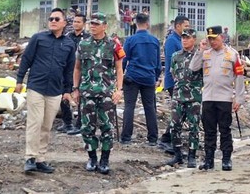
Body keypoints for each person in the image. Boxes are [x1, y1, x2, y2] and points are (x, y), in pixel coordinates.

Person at [15, 8, 76, 174]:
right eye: (51, 19)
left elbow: (69, 70)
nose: (53, 21)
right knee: (35, 122)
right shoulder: (38, 38)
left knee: (46, 125)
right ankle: (30, 158)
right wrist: (19, 80)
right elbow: (26, 59)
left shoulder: (69, 44)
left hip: (55, 91)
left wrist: (67, 91)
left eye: (57, 19)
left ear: (64, 23)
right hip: (36, 87)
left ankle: (41, 159)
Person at [73, 13, 125, 174]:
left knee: (107, 128)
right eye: (91, 23)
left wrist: (119, 90)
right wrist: (75, 88)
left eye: (96, 24)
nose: (92, 26)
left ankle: (105, 160)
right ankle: (92, 158)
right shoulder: (83, 44)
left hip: (106, 94)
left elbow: (119, 69)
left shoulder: (114, 45)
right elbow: (77, 68)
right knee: (87, 127)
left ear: (105, 26)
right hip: (87, 93)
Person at [189, 25, 245, 171]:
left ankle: (226, 159)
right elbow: (193, 67)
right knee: (209, 130)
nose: (212, 42)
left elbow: (239, 77)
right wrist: (200, 49)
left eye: (215, 38)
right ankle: (209, 159)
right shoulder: (205, 53)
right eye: (210, 39)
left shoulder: (232, 54)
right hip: (208, 97)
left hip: (224, 98)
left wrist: (238, 98)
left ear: (222, 37)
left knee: (225, 129)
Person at [120, 13, 160, 145]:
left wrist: (120, 78)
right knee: (150, 107)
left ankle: (126, 137)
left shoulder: (131, 40)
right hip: (148, 78)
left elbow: (124, 60)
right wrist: (155, 77)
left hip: (133, 77)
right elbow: (158, 64)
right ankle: (153, 138)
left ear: (135, 23)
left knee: (129, 106)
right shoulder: (155, 41)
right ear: (147, 24)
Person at [166, 28, 202, 168]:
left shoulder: (199, 56)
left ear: (194, 40)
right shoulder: (176, 56)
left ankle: (192, 156)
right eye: (183, 37)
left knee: (194, 127)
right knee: (174, 126)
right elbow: (173, 73)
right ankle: (178, 155)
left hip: (194, 97)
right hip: (178, 96)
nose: (185, 40)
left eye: (188, 38)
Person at [159, 15, 190, 152]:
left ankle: (168, 137)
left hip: (182, 81)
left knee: (181, 112)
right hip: (174, 82)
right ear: (178, 26)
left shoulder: (181, 39)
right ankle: (168, 138)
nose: (188, 29)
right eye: (186, 26)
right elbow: (173, 62)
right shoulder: (172, 40)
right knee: (178, 112)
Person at [58, 13, 89, 136]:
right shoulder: (67, 37)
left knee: (81, 97)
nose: (75, 24)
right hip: (67, 70)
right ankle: (67, 122)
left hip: (81, 71)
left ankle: (80, 124)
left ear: (84, 24)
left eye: (78, 22)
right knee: (64, 95)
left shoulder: (87, 38)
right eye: (74, 21)